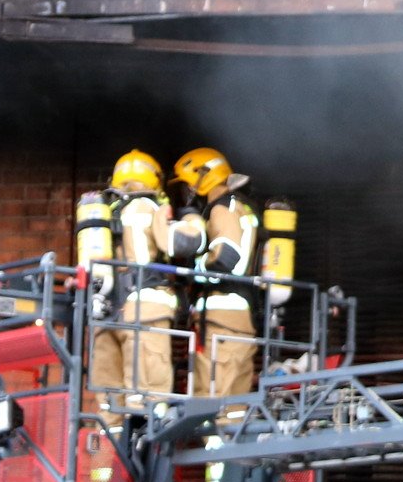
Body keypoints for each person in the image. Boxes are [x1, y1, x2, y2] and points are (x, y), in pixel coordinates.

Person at [167, 146, 280, 400]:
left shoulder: (222, 209)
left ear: (203, 179)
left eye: (188, 186)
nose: (187, 194)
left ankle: (214, 439)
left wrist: (192, 268)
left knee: (212, 396)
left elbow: (226, 259)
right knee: (233, 401)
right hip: (240, 315)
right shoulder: (243, 207)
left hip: (222, 318)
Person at [76, 149, 177, 413]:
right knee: (149, 397)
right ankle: (148, 446)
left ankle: (103, 455)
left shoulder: (103, 213)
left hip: (105, 312)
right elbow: (173, 245)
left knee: (109, 406)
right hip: (146, 309)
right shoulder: (150, 207)